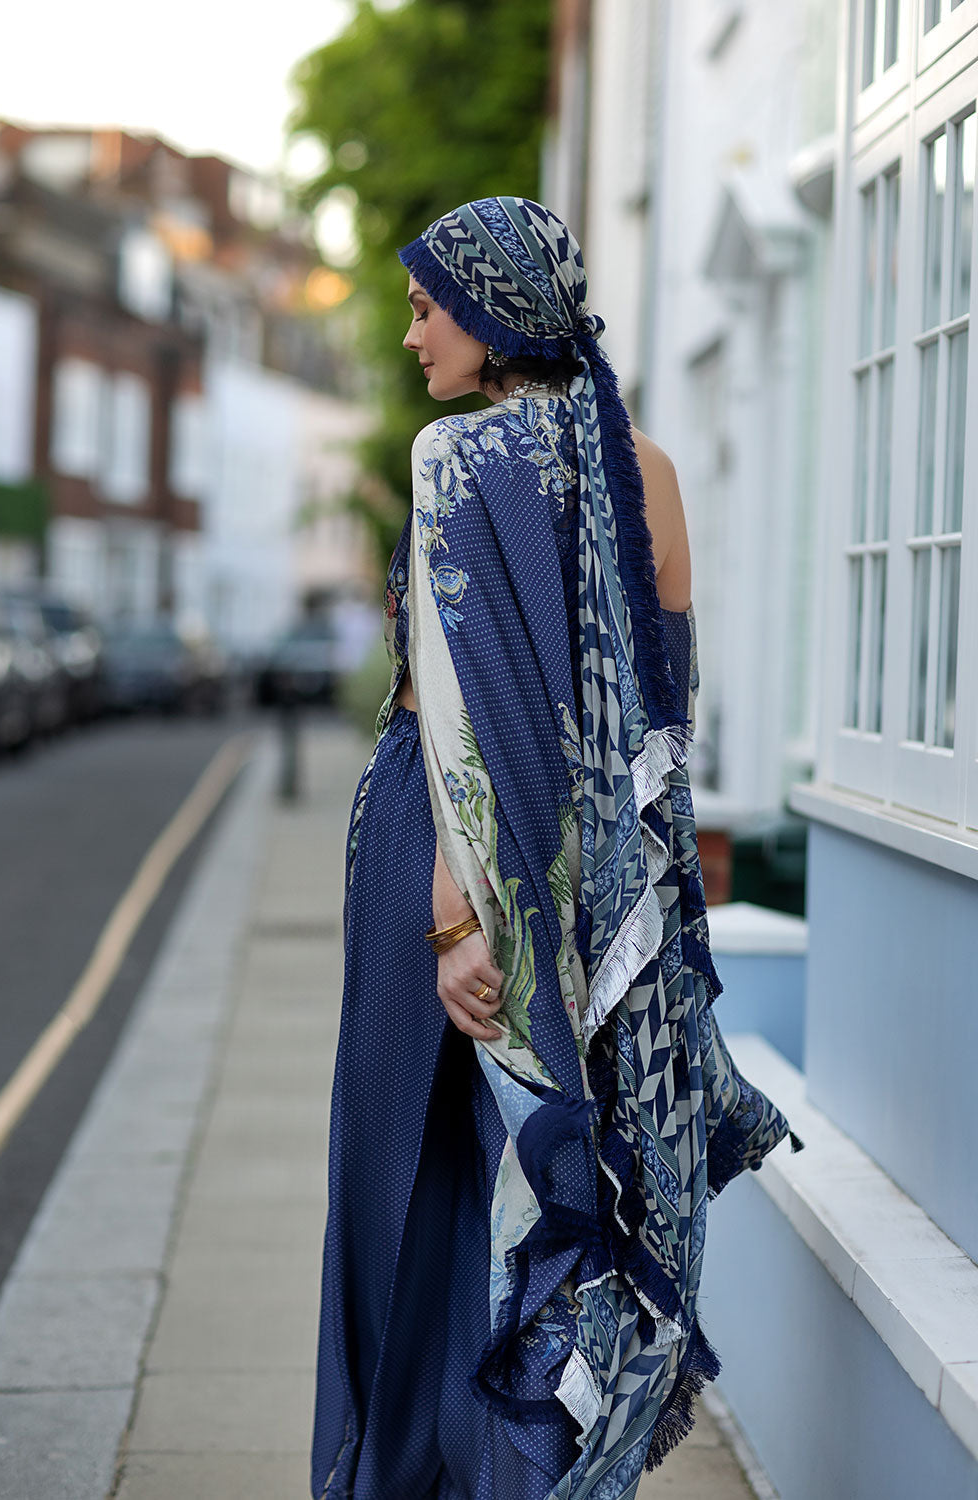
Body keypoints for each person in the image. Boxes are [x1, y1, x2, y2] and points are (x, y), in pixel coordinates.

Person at [311, 196, 802, 1500]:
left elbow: (447, 721)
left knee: (415, 1183)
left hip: (446, 868)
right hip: (603, 889)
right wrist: (627, 909)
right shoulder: (649, 469)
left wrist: (457, 917)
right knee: (550, 1189)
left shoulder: (454, 460)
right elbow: (663, 723)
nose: (414, 336)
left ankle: (409, 1470)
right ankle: (531, 1473)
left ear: (491, 310)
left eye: (427, 308)